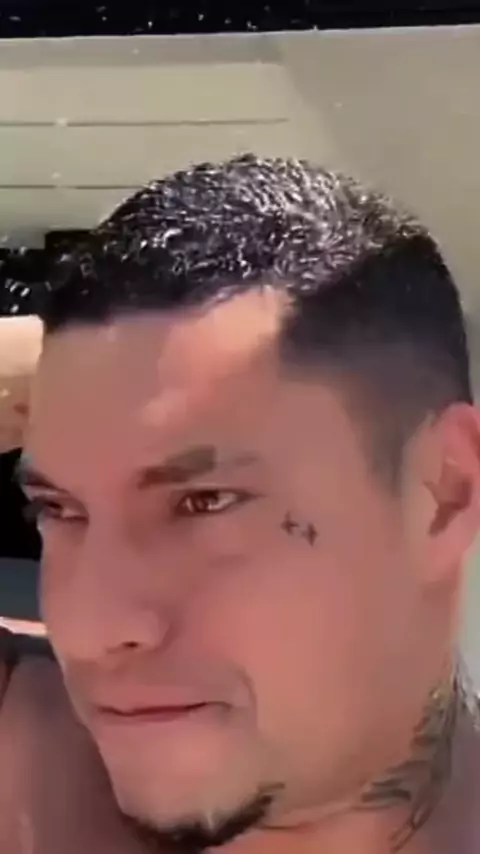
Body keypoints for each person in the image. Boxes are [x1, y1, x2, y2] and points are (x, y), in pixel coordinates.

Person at [1, 153, 480, 854]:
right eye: (60, 510)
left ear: (443, 493)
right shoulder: (30, 769)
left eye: (204, 502)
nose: (90, 628)